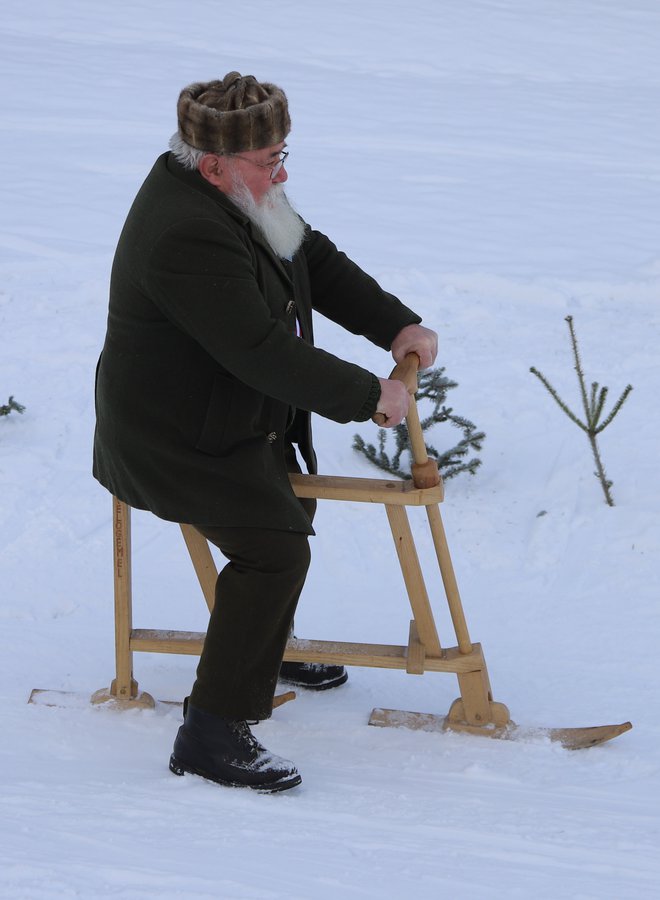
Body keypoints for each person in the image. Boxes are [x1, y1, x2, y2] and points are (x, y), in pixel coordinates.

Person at [93, 72, 438, 793]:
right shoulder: (186, 230)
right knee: (274, 549)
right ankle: (211, 733)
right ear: (214, 162)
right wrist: (368, 396)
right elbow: (259, 349)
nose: (279, 172)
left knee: (289, 505)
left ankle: (259, 647)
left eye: (285, 154)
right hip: (170, 432)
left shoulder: (231, 189)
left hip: (220, 412)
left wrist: (394, 323)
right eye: (268, 160)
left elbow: (308, 256)